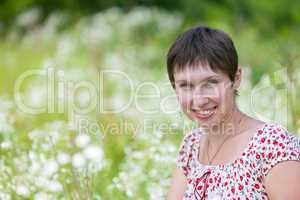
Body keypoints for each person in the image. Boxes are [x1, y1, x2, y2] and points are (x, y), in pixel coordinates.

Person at [166, 26, 300, 199]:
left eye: (211, 83)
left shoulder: (272, 145)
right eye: (186, 86)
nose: (198, 100)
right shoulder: (191, 145)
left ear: (236, 79)